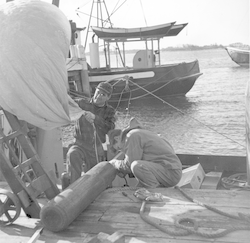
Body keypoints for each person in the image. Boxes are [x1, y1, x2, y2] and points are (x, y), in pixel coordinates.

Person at [108, 118, 182, 188]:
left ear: (117, 138)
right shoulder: (141, 133)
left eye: (119, 148)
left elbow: (129, 165)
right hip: (171, 171)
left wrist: (114, 163)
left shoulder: (132, 135)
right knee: (137, 184)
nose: (123, 151)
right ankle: (152, 188)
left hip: (170, 173)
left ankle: (154, 192)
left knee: (136, 165)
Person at [65, 81, 116, 185]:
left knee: (95, 174)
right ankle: (74, 187)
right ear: (95, 91)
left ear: (108, 98)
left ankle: (92, 190)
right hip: (79, 144)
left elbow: (110, 128)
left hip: (96, 147)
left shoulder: (109, 111)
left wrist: (95, 118)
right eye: (98, 92)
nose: (99, 96)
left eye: (103, 95)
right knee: (72, 154)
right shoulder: (81, 103)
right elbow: (66, 104)